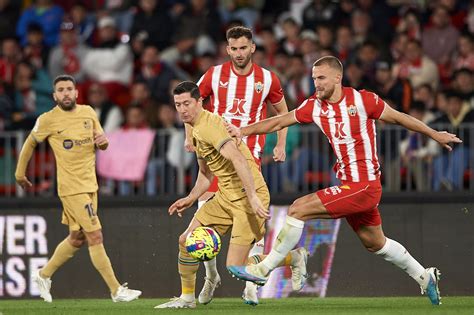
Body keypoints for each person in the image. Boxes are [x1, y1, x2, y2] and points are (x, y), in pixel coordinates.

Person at [226, 56, 462, 306]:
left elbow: (400, 118)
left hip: (365, 185)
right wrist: (243, 130)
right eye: (314, 78)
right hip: (350, 187)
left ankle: (263, 270)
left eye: (321, 78)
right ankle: (425, 276)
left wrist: (434, 134)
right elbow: (278, 121)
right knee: (375, 243)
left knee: (297, 209)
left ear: (337, 78)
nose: (316, 83)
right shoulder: (314, 106)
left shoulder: (363, 100)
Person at [155, 81, 307, 309]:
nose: (183, 109)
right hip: (226, 196)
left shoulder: (209, 127)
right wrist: (190, 198)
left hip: (247, 197)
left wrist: (254, 197)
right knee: (186, 241)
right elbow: (205, 175)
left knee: (236, 267)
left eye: (187, 103)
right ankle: (187, 299)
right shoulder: (195, 130)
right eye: (178, 104)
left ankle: (293, 257)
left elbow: (237, 158)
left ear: (199, 102)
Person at [15, 74, 141, 303]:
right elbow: (30, 143)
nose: (65, 93)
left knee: (76, 238)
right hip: (71, 188)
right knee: (95, 235)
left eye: (69, 89)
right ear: (54, 96)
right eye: (60, 90)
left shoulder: (88, 112)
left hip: (90, 185)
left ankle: (43, 275)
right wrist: (19, 173)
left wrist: (103, 142)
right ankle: (116, 290)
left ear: (76, 92)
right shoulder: (47, 119)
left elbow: (102, 140)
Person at [191, 25, 290, 306]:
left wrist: (280, 144)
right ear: (227, 49)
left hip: (250, 156)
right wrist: (190, 137)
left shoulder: (267, 80)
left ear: (253, 48)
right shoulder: (214, 75)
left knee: (250, 219)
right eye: (233, 49)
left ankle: (250, 284)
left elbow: (283, 113)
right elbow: (193, 103)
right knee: (204, 225)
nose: (238, 53)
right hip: (216, 157)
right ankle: (211, 277)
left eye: (243, 48)